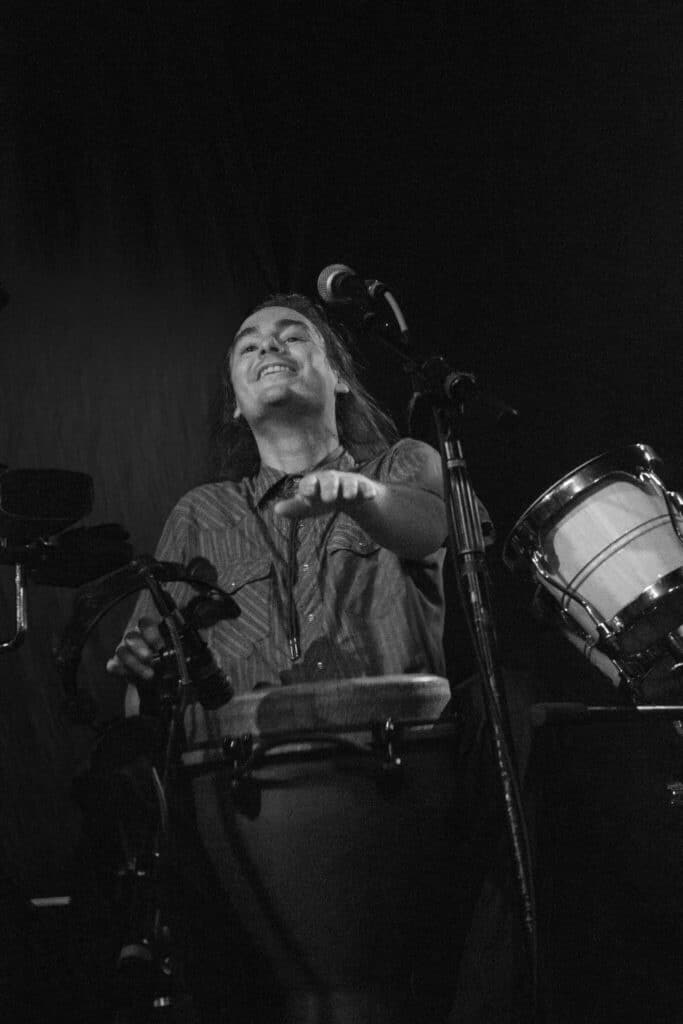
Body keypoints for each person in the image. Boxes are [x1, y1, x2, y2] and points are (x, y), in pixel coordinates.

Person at [106, 292, 453, 696]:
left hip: (395, 733)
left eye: (293, 338)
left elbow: (432, 526)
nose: (269, 346)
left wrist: (363, 497)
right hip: (246, 738)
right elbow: (139, 697)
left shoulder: (403, 464)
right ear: (236, 404)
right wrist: (146, 674)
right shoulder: (199, 515)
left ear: (339, 377)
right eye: (248, 347)